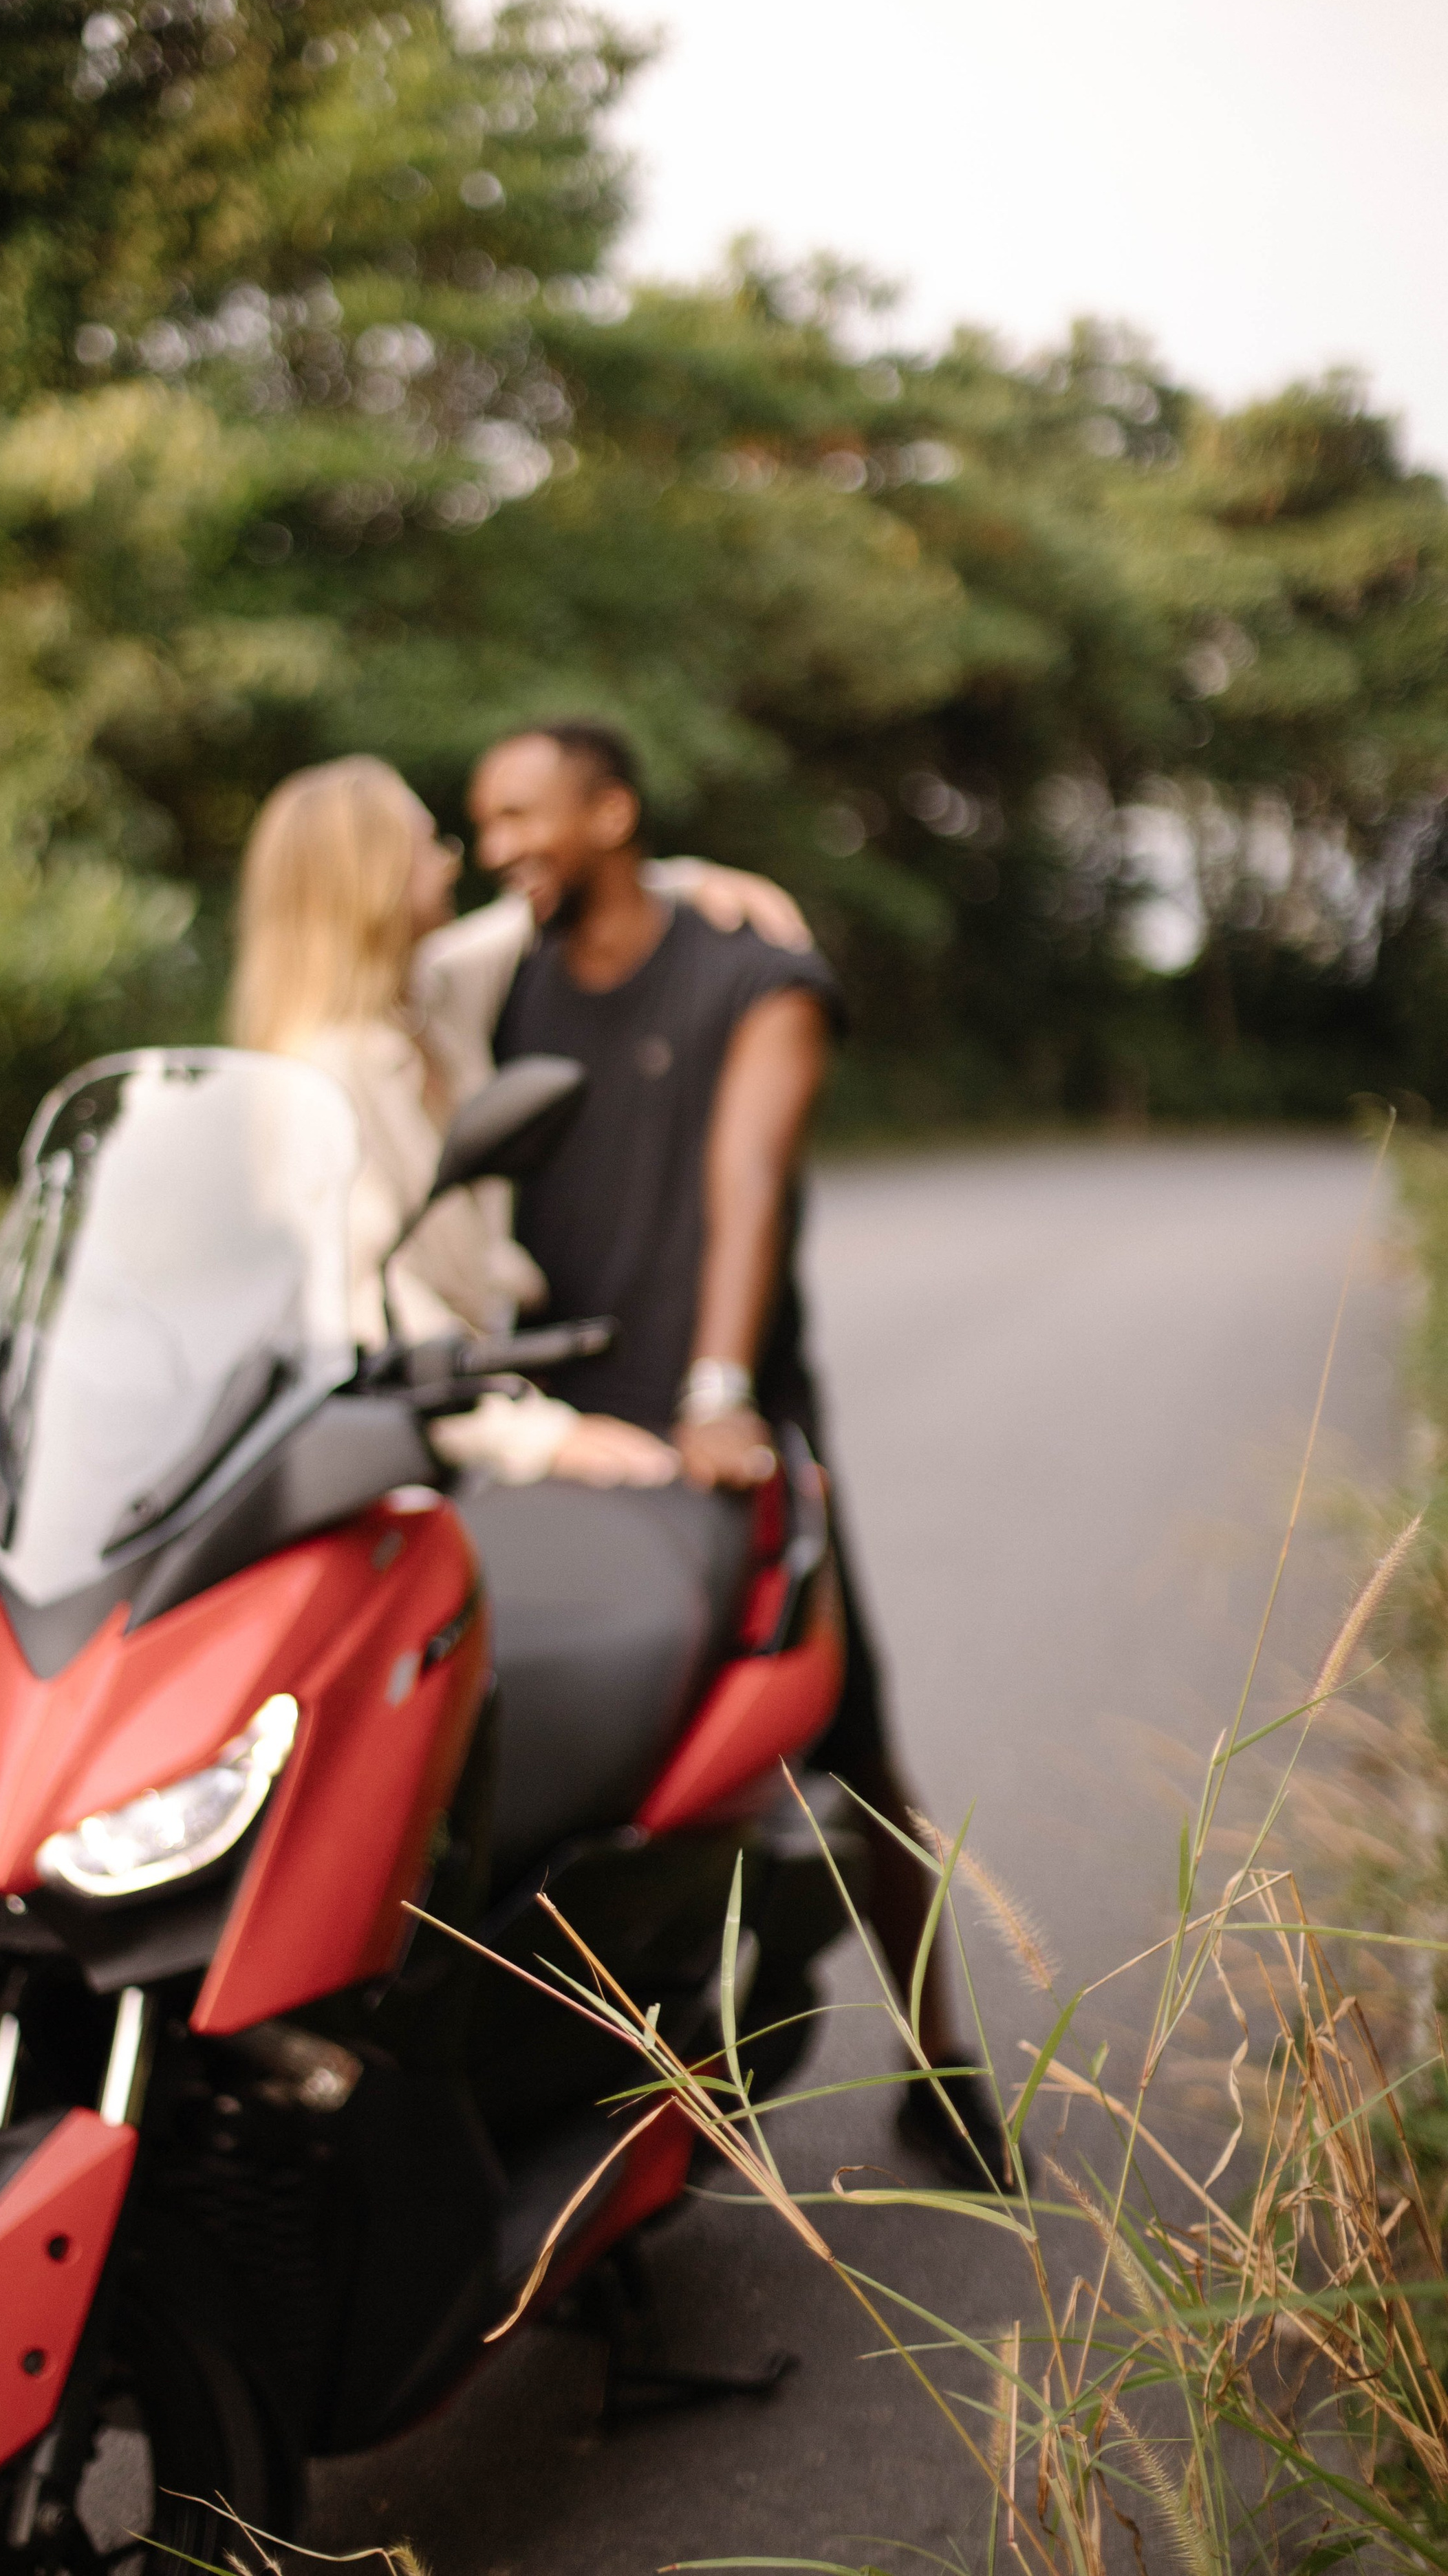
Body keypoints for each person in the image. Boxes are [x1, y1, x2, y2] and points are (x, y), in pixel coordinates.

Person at [415, 720, 1013, 2191]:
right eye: (482, 824)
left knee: (853, 1746)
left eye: (524, 816)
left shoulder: (756, 974)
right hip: (556, 1435)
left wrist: (717, 1388)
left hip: (719, 1425)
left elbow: (743, 1182)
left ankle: (938, 2060)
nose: (499, 847)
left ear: (611, 810)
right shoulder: (505, 979)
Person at [226, 752, 803, 1494]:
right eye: (429, 844)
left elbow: (550, 906)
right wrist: (541, 1437)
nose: (453, 861)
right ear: (373, 880)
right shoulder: (314, 1081)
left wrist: (686, 881)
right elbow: (367, 1306)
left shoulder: (427, 993)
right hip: (419, 1433)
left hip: (481, 1382)